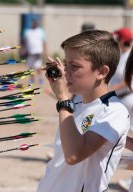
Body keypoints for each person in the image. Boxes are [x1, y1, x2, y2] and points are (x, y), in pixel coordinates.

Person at [37, 30, 130, 192]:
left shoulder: (115, 111)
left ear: (102, 72)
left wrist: (63, 99)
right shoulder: (78, 102)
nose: (65, 72)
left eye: (75, 66)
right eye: (66, 64)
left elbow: (74, 155)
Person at [108, 27, 133, 191]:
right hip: (120, 101)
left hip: (126, 101)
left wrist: (108, 91)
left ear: (125, 41)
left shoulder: (128, 58)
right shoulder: (122, 56)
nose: (116, 43)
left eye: (118, 40)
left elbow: (126, 82)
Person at [22, 19, 47, 85]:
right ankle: (32, 79)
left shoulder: (40, 31)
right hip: (30, 52)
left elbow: (44, 42)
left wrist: (45, 51)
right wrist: (23, 49)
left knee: (38, 66)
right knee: (30, 67)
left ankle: (40, 78)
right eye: (33, 23)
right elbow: (24, 42)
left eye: (35, 23)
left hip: (38, 51)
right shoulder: (27, 31)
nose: (34, 24)